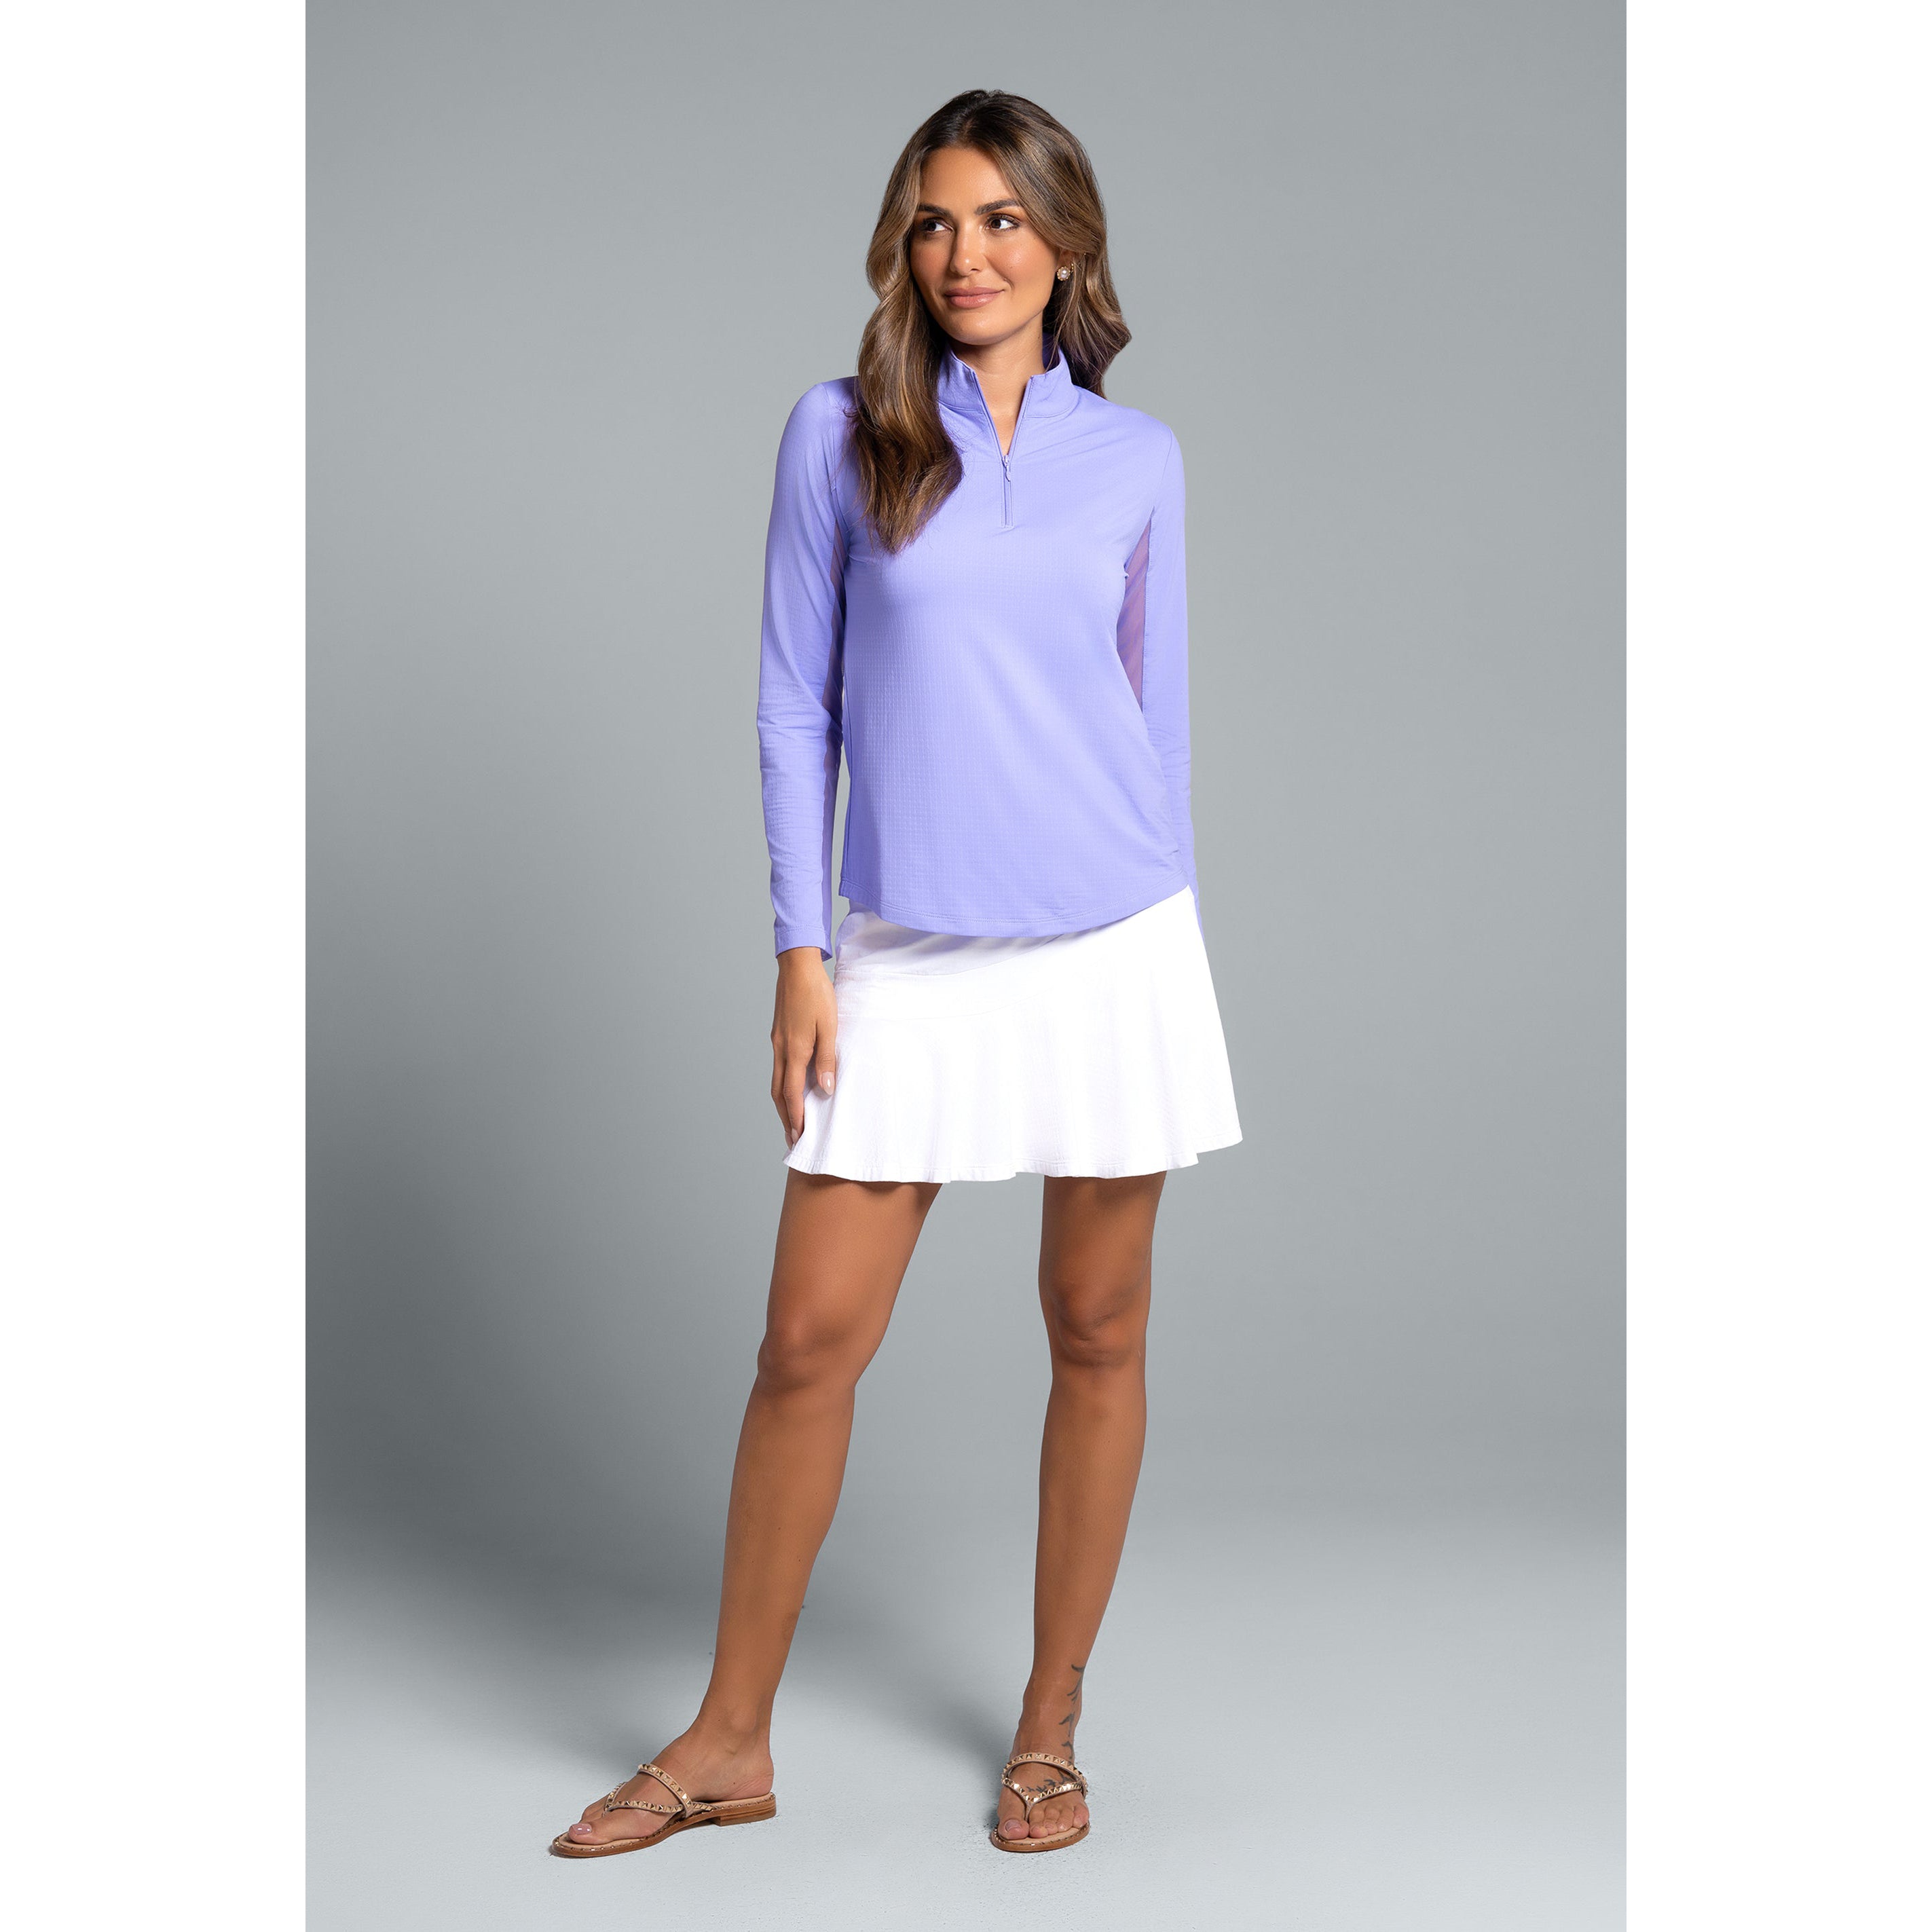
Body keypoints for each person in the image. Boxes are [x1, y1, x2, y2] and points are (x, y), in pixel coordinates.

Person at [553, 88, 1240, 1862]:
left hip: (1110, 939)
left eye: (1003, 219)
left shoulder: (1137, 460)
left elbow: (1154, 723)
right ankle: (728, 1740)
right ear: (902, 246)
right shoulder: (841, 433)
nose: (966, 253)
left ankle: (1050, 1727)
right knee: (807, 1344)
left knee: (1098, 1328)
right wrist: (802, 948)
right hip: (907, 948)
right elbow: (796, 702)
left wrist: (1165, 947)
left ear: (1066, 245)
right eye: (936, 221)